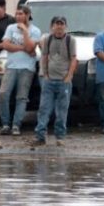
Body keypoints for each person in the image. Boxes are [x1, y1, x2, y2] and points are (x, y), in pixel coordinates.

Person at [0, 5, 42, 135]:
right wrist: (22, 48)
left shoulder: (35, 31)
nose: (18, 16)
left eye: (21, 14)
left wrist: (25, 32)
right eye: (17, 14)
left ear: (27, 15)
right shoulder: (10, 28)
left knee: (21, 97)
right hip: (11, 66)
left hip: (27, 68)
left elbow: (31, 48)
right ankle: (5, 123)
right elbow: (5, 45)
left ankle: (16, 125)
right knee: (3, 93)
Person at [34, 16, 77, 146]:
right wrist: (45, 74)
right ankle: (40, 136)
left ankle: (60, 137)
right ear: (52, 26)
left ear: (66, 26)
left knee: (62, 110)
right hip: (49, 80)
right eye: (56, 24)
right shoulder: (47, 39)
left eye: (61, 24)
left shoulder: (71, 40)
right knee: (44, 108)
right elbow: (44, 57)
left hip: (64, 80)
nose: (59, 27)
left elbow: (74, 59)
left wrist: (69, 76)